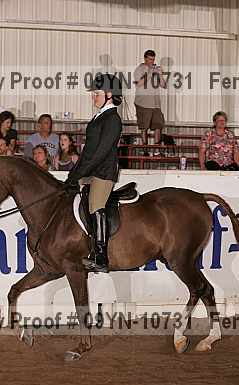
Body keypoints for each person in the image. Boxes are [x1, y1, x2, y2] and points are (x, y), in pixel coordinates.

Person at [63, 73, 123, 273]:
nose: (93, 97)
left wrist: (80, 172)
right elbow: (88, 152)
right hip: (90, 170)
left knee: (96, 205)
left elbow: (100, 153)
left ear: (109, 94)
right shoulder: (99, 117)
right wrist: (73, 175)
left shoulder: (113, 119)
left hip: (103, 172)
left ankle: (101, 256)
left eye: (97, 93)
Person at [134, 49, 166, 147]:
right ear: (145, 59)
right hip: (143, 103)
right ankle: (145, 150)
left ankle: (157, 150)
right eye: (149, 59)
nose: (151, 62)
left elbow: (164, 85)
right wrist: (150, 73)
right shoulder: (139, 69)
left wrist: (160, 74)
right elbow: (139, 84)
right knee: (144, 127)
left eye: (153, 59)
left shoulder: (155, 69)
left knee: (158, 125)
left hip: (156, 104)